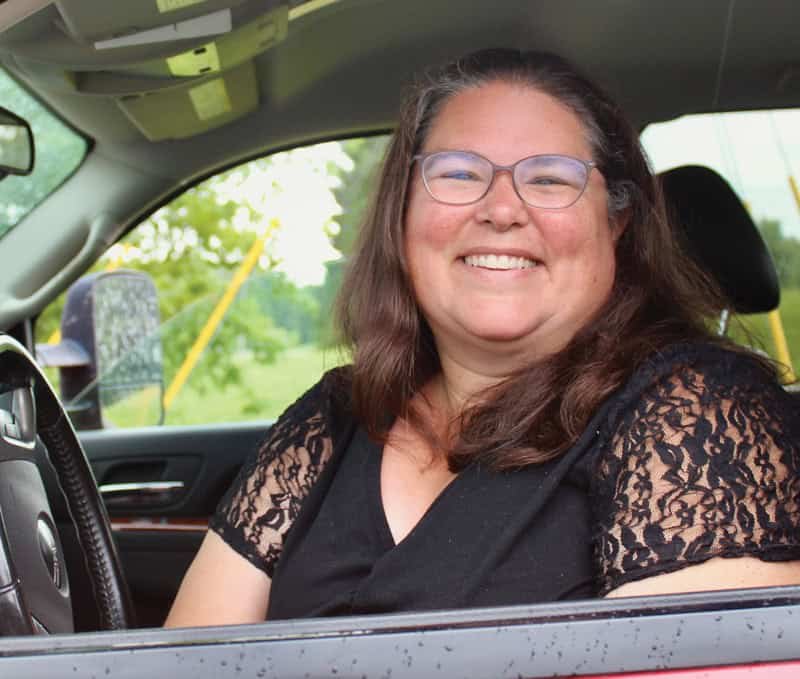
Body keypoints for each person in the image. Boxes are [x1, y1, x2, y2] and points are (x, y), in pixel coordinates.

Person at [165, 48, 800, 626]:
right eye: (460, 174)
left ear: (618, 223)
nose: (500, 208)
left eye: (550, 178)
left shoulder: (700, 416)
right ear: (402, 214)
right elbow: (188, 658)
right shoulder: (335, 416)